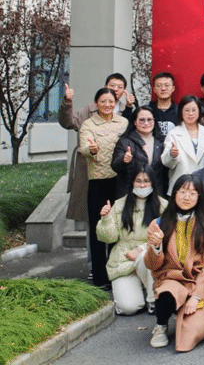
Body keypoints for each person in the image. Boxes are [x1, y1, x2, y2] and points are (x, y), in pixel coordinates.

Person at [145, 175, 204, 351]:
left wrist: (196, 296)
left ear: (199, 197)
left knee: (193, 332)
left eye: (193, 193)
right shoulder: (158, 224)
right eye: (183, 192)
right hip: (171, 280)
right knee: (166, 294)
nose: (187, 197)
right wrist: (156, 247)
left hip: (196, 283)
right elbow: (151, 265)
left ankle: (203, 309)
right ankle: (161, 325)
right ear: (174, 194)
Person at [61, 74, 132, 224]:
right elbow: (69, 123)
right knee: (94, 216)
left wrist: (130, 107)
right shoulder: (90, 110)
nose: (116, 89)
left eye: (120, 87)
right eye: (112, 85)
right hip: (92, 170)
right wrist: (67, 102)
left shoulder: (126, 112)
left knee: (118, 218)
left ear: (124, 91)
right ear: (105, 87)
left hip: (118, 174)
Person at [96, 169, 168, 315]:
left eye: (146, 181)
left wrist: (141, 249)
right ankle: (140, 288)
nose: (142, 185)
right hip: (123, 260)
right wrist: (106, 219)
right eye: (138, 181)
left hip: (149, 260)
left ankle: (152, 299)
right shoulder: (119, 205)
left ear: (153, 183)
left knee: (145, 256)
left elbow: (168, 236)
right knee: (128, 307)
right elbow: (109, 238)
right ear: (132, 183)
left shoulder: (163, 205)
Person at [79, 87, 129, 287]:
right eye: (103, 101)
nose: (107, 105)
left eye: (111, 101)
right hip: (98, 182)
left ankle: (117, 273)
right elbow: (84, 147)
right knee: (98, 229)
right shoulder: (88, 124)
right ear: (96, 103)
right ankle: (100, 277)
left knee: (119, 228)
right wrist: (91, 149)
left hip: (119, 181)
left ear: (116, 103)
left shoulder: (123, 122)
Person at [161, 95, 204, 195]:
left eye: (194, 110)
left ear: (199, 111)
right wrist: (172, 155)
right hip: (180, 185)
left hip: (202, 185)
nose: (190, 113)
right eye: (187, 110)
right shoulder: (174, 134)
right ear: (181, 112)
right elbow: (167, 162)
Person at [111, 106, 166, 197]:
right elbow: (115, 166)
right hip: (129, 194)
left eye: (149, 120)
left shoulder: (161, 142)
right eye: (141, 120)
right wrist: (123, 160)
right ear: (134, 122)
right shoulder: (125, 141)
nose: (146, 123)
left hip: (155, 194)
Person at [148, 72, 178, 139]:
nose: (163, 89)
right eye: (159, 85)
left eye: (166, 85)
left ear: (173, 88)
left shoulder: (180, 112)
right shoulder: (148, 111)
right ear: (154, 89)